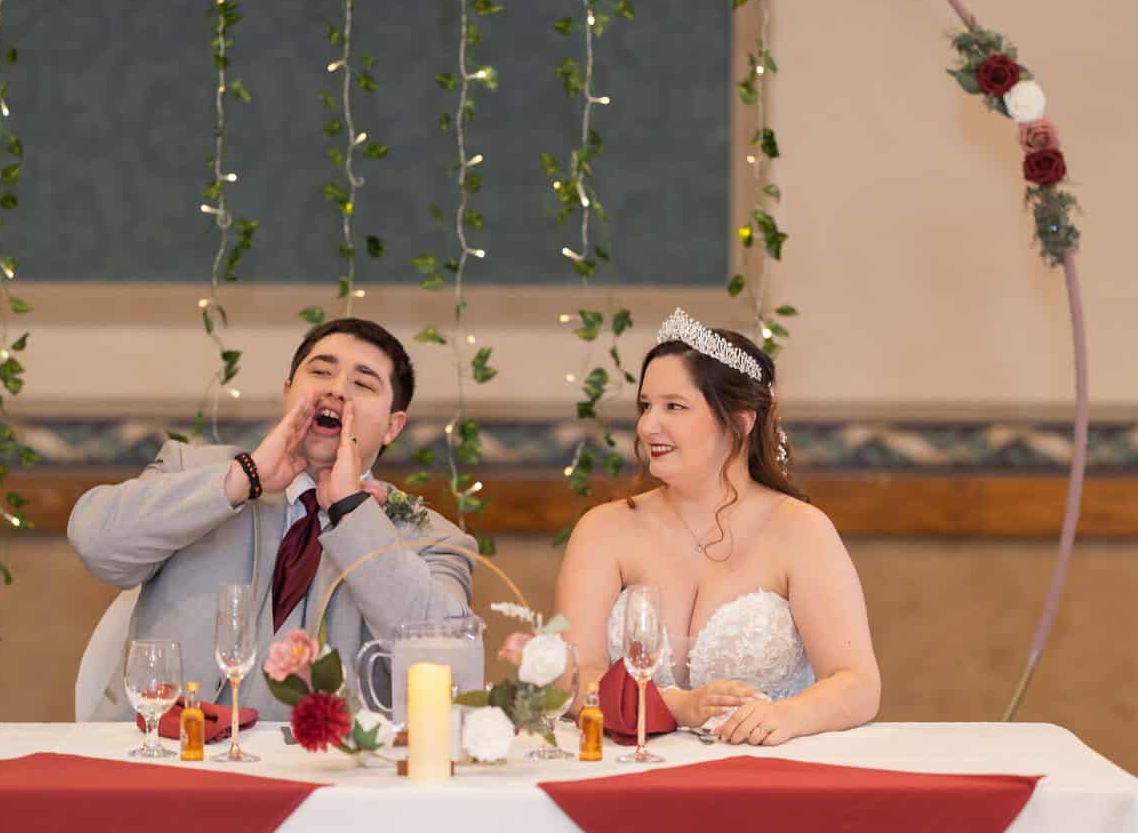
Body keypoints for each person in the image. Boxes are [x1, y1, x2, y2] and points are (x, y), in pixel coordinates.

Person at [69, 317, 476, 720]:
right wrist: (242, 478)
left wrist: (351, 511)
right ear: (288, 393)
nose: (336, 390)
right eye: (321, 372)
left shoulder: (432, 539)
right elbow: (95, 542)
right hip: (159, 756)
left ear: (392, 426)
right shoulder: (191, 469)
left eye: (363, 383)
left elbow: (451, 664)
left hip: (314, 773)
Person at [553, 308, 880, 744]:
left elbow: (857, 683)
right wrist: (673, 706)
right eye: (645, 406)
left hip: (763, 773)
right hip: (626, 769)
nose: (648, 425)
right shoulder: (604, 530)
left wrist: (789, 716)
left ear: (741, 422)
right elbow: (573, 678)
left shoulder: (800, 531)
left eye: (675, 406)